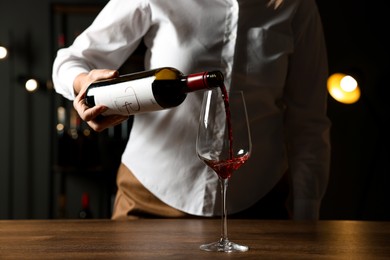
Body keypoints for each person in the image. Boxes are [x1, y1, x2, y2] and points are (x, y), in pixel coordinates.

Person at [52, 0, 331, 220]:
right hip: (150, 196)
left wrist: (306, 217)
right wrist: (84, 82)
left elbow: (308, 123)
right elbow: (70, 61)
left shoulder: (297, 5)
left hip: (258, 201)